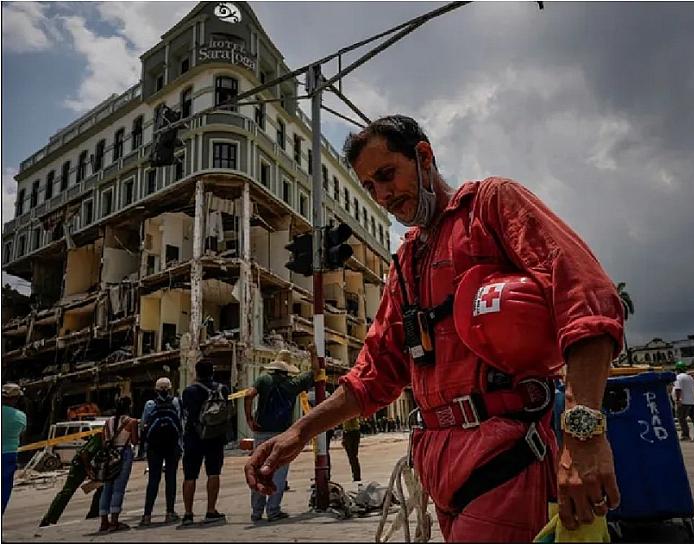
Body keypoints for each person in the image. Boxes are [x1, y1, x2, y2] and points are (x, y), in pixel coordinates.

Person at [245, 115, 624, 541]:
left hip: (506, 457)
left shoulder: (491, 206)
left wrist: (584, 436)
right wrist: (299, 432)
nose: (382, 196)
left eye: (387, 175)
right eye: (369, 187)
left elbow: (587, 297)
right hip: (437, 470)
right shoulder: (405, 263)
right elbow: (374, 374)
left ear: (424, 156)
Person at [244, 348, 316, 522]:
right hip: (283, 434)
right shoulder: (294, 383)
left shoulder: (263, 379)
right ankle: (273, 510)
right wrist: (313, 353)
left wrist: (249, 419)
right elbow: (316, 371)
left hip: (261, 431)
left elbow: (248, 395)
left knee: (259, 470)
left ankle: (256, 512)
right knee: (279, 473)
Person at [180, 358, 230, 526]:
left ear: (196, 372)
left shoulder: (189, 391)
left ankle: (188, 514)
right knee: (214, 473)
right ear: (212, 372)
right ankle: (211, 510)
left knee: (189, 476)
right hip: (215, 436)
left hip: (193, 437)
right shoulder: (223, 389)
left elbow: (186, 412)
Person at [139, 377, 183, 526]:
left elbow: (143, 425)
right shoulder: (176, 402)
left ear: (156, 390)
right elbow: (181, 423)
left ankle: (147, 515)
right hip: (172, 445)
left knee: (153, 479)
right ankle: (170, 513)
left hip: (154, 447)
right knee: (171, 478)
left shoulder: (150, 404)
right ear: (170, 389)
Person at [40, 432, 104, 526]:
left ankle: (94, 513)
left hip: (94, 467)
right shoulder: (101, 436)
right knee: (67, 491)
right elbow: (84, 453)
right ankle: (48, 519)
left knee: (102, 488)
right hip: (80, 465)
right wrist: (88, 470)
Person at [98, 396, 139, 532]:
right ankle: (114, 521)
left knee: (107, 488)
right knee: (118, 488)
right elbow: (134, 441)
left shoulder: (108, 422)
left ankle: (104, 522)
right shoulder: (131, 422)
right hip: (124, 454)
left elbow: (103, 441)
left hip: (109, 456)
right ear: (129, 406)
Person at [2, 383, 27, 515]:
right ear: (16, 399)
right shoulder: (21, 416)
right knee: (4, 491)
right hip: (9, 456)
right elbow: (22, 433)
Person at [673, 361, 694, 441]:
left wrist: (678, 400)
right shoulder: (690, 377)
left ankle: (685, 435)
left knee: (681, 418)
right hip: (693, 401)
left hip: (684, 402)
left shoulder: (678, 377)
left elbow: (678, 389)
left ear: (678, 369)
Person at [341, 417, 362, 482]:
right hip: (353, 432)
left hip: (350, 432)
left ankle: (356, 475)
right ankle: (356, 475)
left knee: (352, 456)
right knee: (353, 456)